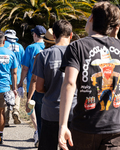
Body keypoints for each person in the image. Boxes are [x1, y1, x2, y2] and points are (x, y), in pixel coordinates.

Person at [59, 2, 120, 150]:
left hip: (84, 126)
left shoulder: (77, 47)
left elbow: (69, 84)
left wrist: (63, 125)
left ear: (91, 18)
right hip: (115, 128)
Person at [33, 21, 76, 150]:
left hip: (50, 111)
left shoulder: (43, 55)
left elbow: (39, 87)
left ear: (53, 36)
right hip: (73, 111)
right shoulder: (78, 53)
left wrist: (51, 89)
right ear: (71, 35)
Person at [18, 25, 46, 147]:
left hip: (33, 85)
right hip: (48, 86)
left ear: (35, 35)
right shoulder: (49, 46)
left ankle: (38, 133)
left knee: (34, 110)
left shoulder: (30, 48)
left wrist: (20, 83)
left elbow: (25, 68)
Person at [26, 28, 55, 145]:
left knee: (42, 123)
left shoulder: (40, 55)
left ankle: (42, 141)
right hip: (59, 93)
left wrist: (29, 98)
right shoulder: (67, 53)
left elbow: (34, 79)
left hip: (42, 93)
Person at [4, 29, 25, 126]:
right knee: (16, 93)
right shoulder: (20, 47)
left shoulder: (4, 45)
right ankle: (16, 110)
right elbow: (23, 61)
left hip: (6, 74)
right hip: (18, 73)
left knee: (5, 95)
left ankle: (6, 118)